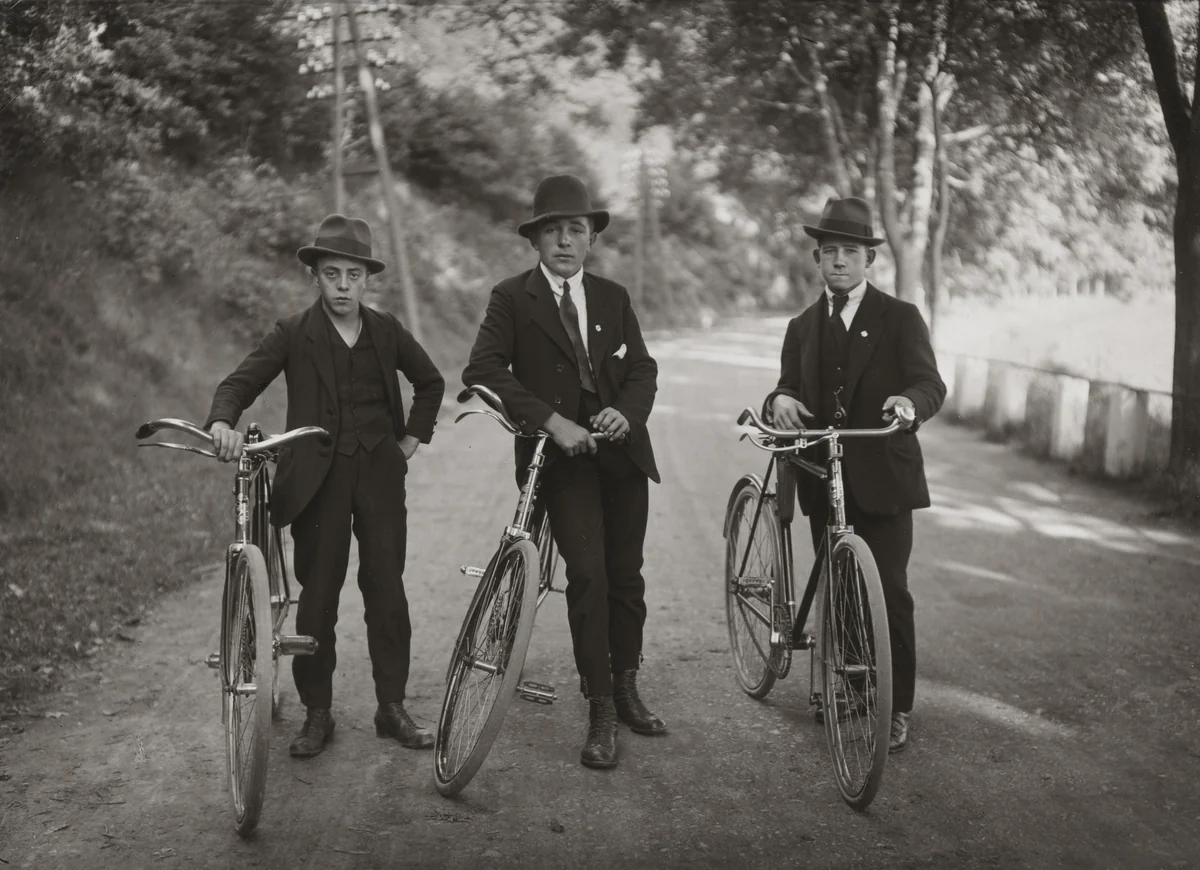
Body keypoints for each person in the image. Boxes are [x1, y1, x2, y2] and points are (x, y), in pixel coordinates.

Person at [204, 214, 445, 758]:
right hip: (319, 480)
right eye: (331, 273)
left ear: (366, 279)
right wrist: (222, 419)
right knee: (320, 596)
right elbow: (241, 381)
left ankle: (392, 707)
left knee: (387, 589)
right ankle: (318, 712)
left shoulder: (386, 330)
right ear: (315, 275)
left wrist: (408, 442)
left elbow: (430, 382)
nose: (342, 285)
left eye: (353, 275)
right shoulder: (293, 333)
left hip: (380, 477)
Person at [462, 174, 666, 770]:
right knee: (589, 574)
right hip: (559, 459)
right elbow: (484, 369)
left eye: (576, 230)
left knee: (627, 576)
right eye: (552, 231)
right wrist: (553, 421)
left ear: (591, 239)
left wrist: (624, 414)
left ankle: (626, 685)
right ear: (536, 241)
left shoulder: (613, 297)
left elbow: (643, 370)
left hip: (621, 453)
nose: (564, 242)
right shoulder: (511, 297)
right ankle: (599, 705)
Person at [764, 196, 945, 753]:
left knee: (889, 590)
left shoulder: (900, 317)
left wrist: (909, 404)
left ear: (869, 259)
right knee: (842, 586)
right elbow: (786, 385)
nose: (840, 261)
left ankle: (896, 705)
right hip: (825, 474)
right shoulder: (802, 326)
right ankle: (857, 685)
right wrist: (781, 401)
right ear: (818, 260)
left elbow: (930, 384)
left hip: (884, 472)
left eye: (851, 251)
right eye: (830, 252)